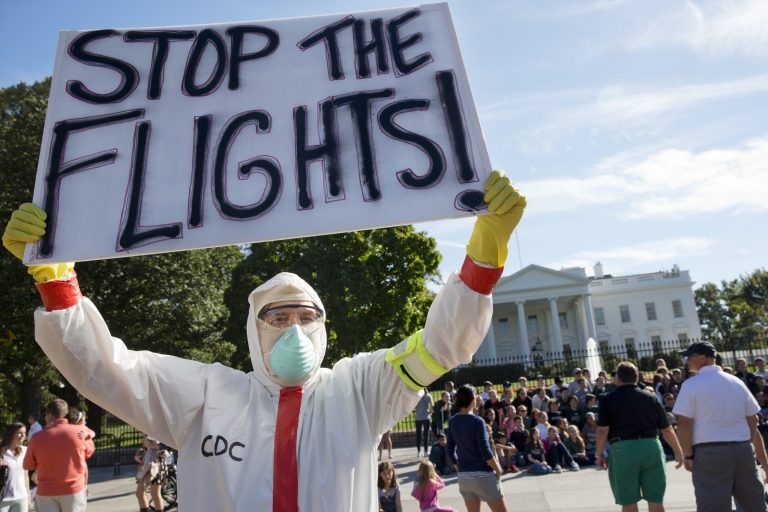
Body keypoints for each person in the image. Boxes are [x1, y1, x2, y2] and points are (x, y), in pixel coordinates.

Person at [2, 169, 526, 511]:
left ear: (323, 327)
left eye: (306, 316)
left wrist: (484, 254)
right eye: (277, 317)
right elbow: (105, 367)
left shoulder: (362, 388)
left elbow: (443, 344)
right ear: (255, 331)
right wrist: (55, 279)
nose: (293, 328)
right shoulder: (205, 394)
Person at [673, 340, 768, 512]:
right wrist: (746, 444)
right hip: (743, 451)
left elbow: (684, 424)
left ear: (702, 358)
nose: (686, 361)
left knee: (713, 506)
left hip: (710, 453)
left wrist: (688, 455)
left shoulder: (690, 385)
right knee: (753, 506)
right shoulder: (736, 382)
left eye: (689, 357)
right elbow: (753, 419)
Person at [596, 362, 684, 512]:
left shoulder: (608, 399)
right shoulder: (651, 397)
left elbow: (603, 430)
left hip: (623, 450)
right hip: (651, 447)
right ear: (636, 378)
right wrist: (679, 451)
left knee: (629, 501)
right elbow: (666, 428)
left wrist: (600, 454)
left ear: (617, 377)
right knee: (655, 498)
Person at [22, 400, 94, 512]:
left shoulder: (37, 437)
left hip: (46, 492)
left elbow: (27, 465)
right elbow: (89, 452)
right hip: (73, 490)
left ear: (50, 415)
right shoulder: (80, 432)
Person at [447, 385, 508, 512]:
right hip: (483, 474)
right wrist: (497, 469)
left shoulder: (453, 421)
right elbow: (484, 450)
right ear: (472, 399)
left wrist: (459, 467)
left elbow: (449, 449)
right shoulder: (478, 421)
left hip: (464, 477)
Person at [1, 423, 30, 512]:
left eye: (24, 433)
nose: (23, 436)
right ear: (11, 433)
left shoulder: (25, 450)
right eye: (19, 433)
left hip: (21, 498)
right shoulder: (2, 451)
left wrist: (28, 496)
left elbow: (25, 475)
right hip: (2, 499)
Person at [134, 435, 166, 512]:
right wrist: (139, 455)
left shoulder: (159, 431)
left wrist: (152, 445)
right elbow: (144, 449)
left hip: (155, 467)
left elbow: (164, 448)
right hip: (145, 468)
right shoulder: (147, 432)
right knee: (140, 493)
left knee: (155, 494)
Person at [415, 390, 434, 457]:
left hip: (418, 418)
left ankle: (419, 451)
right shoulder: (429, 395)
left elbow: (414, 407)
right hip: (426, 417)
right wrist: (429, 412)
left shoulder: (416, 396)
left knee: (418, 435)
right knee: (426, 435)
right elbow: (432, 407)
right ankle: (426, 451)